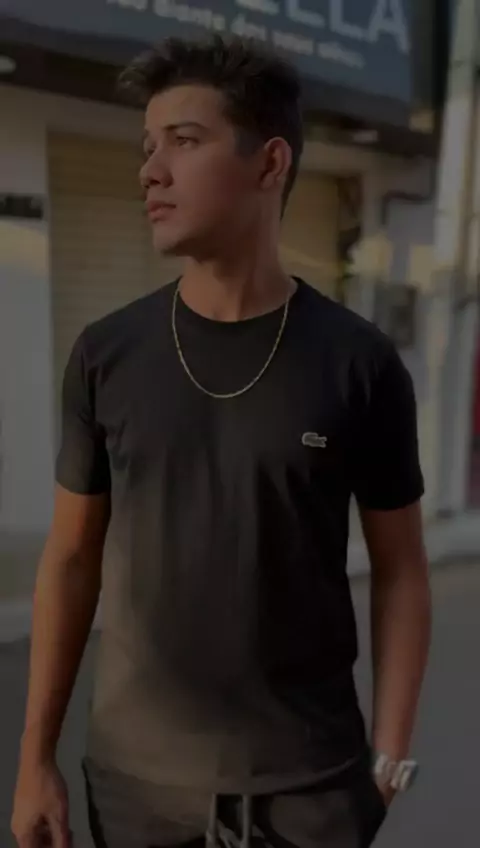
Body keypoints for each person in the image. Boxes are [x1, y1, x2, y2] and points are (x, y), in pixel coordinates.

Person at [12, 35, 431, 848]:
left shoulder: (360, 364)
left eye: (184, 141)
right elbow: (69, 561)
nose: (150, 171)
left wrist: (389, 760)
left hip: (312, 790)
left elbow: (403, 569)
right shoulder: (106, 355)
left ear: (269, 163)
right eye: (147, 147)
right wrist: (35, 759)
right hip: (138, 793)